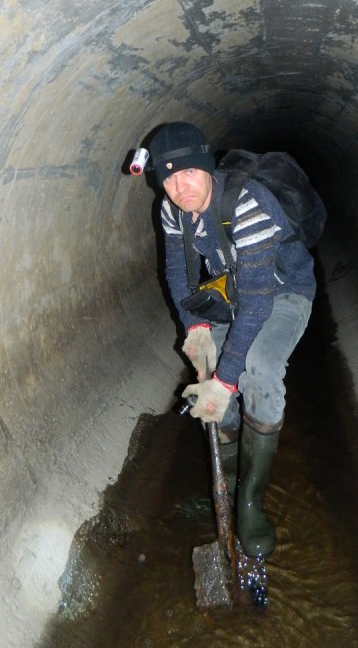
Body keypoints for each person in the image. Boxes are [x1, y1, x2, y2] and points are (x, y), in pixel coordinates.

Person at [148, 122, 317, 559]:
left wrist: (225, 383)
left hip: (283, 290)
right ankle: (231, 473)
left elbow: (259, 306)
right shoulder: (173, 210)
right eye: (167, 178)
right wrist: (196, 327)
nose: (178, 186)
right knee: (214, 377)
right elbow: (177, 272)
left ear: (205, 168)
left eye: (186, 173)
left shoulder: (247, 204)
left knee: (256, 368)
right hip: (234, 288)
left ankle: (250, 499)